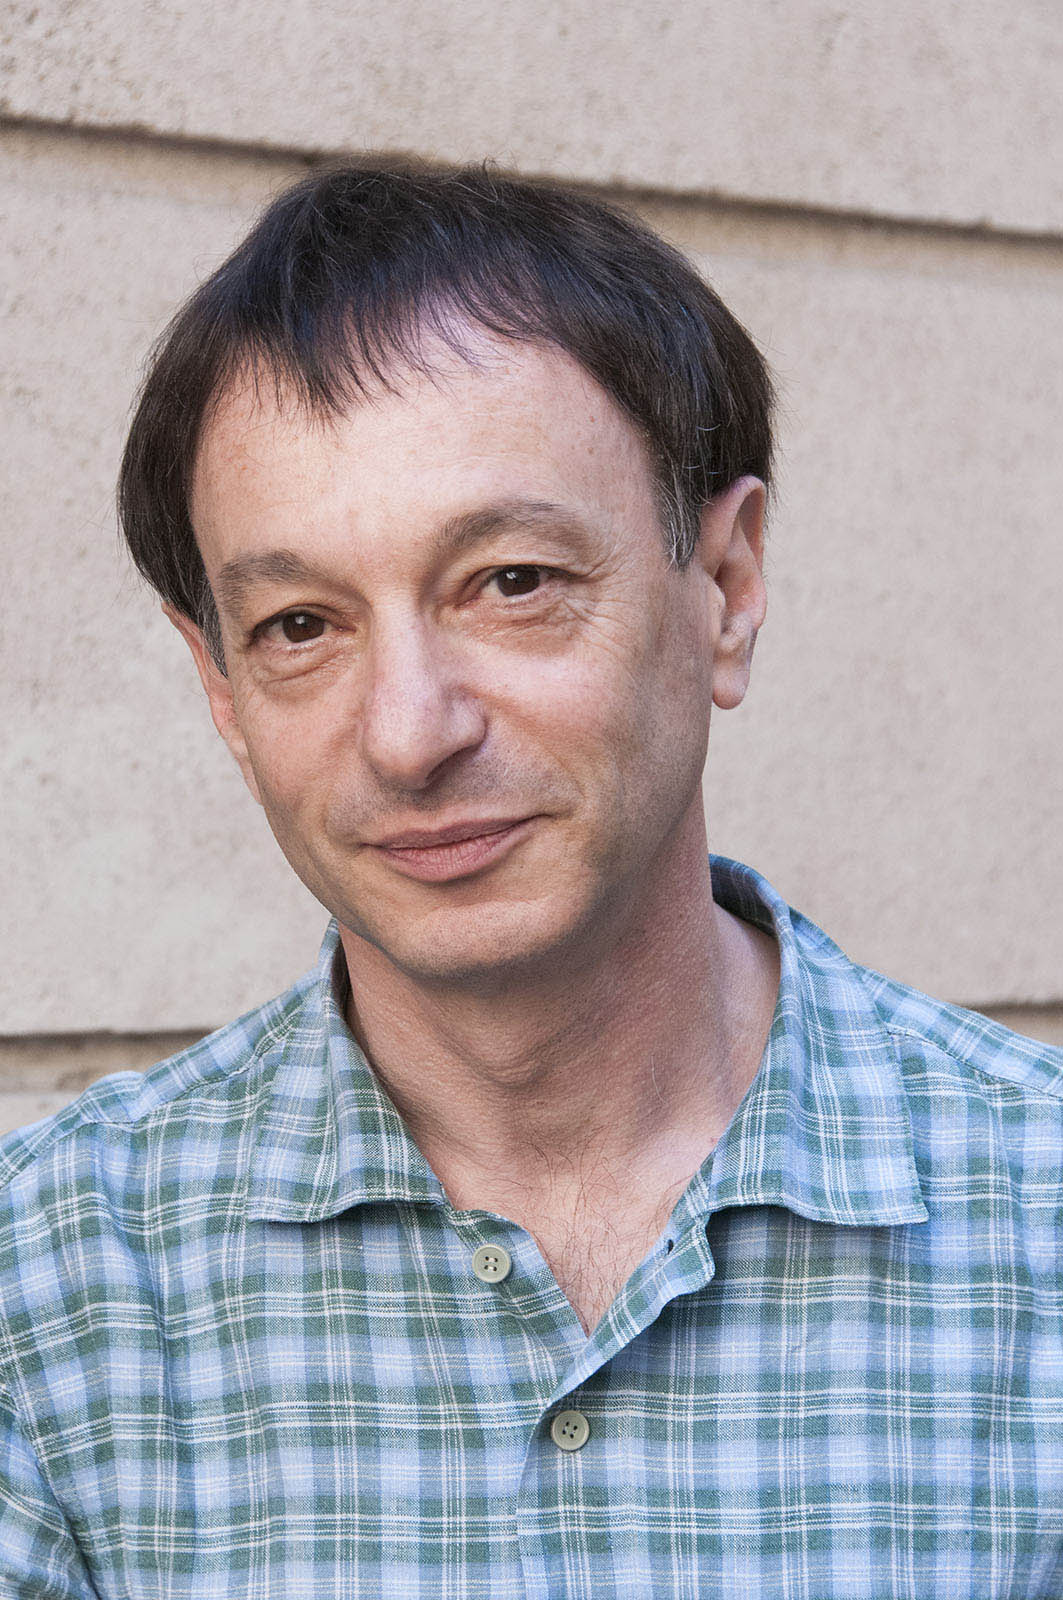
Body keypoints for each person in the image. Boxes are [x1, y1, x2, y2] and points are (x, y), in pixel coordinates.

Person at [1, 164, 1060, 1600]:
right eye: (302, 625)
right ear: (222, 689)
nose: (409, 732)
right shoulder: (46, 1290)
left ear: (727, 587)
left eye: (512, 582)